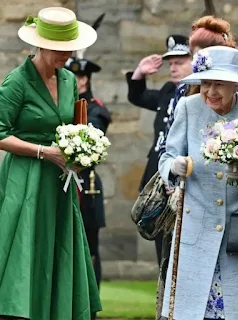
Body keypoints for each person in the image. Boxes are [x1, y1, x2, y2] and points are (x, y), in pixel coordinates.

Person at [0, 7, 101, 320]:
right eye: (59, 49)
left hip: (59, 180)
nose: (66, 55)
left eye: (69, 48)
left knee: (57, 247)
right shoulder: (17, 81)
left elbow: (73, 126)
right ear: (40, 45)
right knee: (24, 245)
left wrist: (82, 152)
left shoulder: (69, 79)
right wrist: (45, 152)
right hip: (24, 177)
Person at [158, 45, 238, 320]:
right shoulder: (188, 107)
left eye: (218, 84)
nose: (210, 92)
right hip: (196, 231)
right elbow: (166, 156)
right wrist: (174, 166)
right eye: (205, 83)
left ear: (234, 85)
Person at [126, 35, 192, 266]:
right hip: (158, 176)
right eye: (170, 63)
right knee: (161, 244)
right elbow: (138, 96)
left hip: (184, 179)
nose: (173, 68)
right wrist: (139, 73)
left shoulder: (199, 93)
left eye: (180, 62)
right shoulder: (167, 91)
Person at [159, 16, 238, 158]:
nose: (198, 65)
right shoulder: (185, 88)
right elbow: (169, 145)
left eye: (203, 57)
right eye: (194, 57)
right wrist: (174, 166)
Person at [65, 56, 111, 294]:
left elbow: (90, 140)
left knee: (89, 248)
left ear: (85, 79)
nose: (75, 81)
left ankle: (89, 303)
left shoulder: (95, 108)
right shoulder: (60, 103)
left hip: (86, 184)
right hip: (61, 180)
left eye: (79, 76)